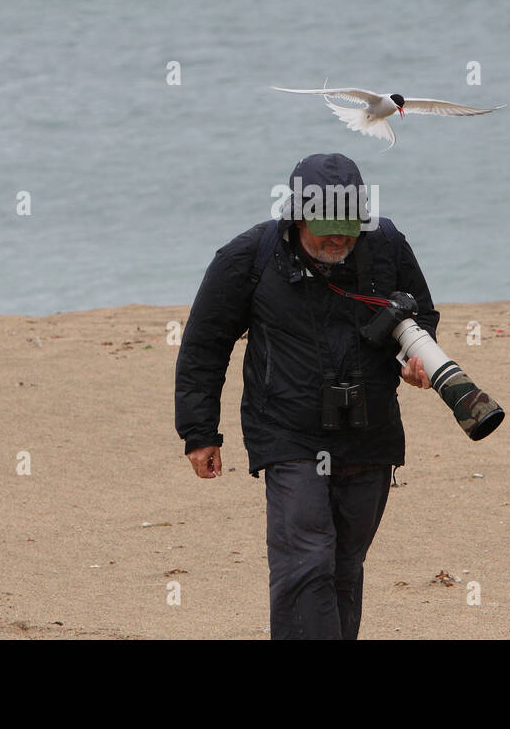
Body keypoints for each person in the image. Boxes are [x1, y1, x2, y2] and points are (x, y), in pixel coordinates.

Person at [174, 152, 439, 639]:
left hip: (369, 431)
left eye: (349, 227)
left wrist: (413, 362)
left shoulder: (386, 246)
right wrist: (198, 431)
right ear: (296, 215)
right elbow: (204, 345)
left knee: (344, 564)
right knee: (305, 562)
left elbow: (419, 315)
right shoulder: (248, 257)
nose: (339, 239)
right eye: (327, 228)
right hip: (288, 432)